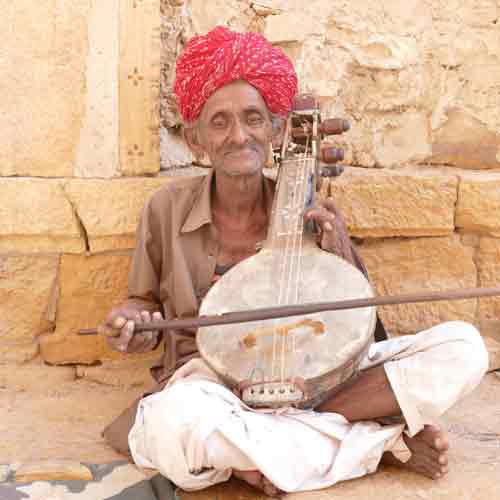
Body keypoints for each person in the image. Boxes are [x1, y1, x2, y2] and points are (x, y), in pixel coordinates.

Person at [101, 26, 488, 497]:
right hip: (212, 386)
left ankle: (255, 457)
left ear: (277, 130)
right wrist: (129, 324)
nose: (238, 135)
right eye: (219, 122)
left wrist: (340, 248)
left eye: (253, 119)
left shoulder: (309, 212)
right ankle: (376, 439)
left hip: (321, 382)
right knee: (171, 421)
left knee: (465, 348)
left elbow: (361, 329)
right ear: (195, 137)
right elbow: (138, 304)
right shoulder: (165, 209)